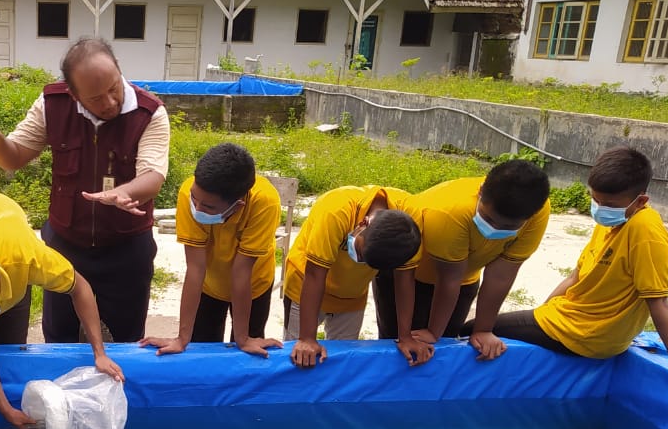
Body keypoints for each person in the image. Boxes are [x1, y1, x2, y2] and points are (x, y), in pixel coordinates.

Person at [0, 36, 170, 343]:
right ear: (74, 94)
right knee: (58, 338)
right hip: (65, 245)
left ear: (118, 70)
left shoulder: (150, 113)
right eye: (95, 98)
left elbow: (153, 176)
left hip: (126, 248)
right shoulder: (53, 104)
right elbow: (14, 157)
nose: (110, 102)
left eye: (114, 88)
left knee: (127, 339)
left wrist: (125, 193)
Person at [480, 147, 668, 395]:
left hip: (587, 334)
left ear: (640, 201)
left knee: (476, 330)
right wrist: (542, 313)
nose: (599, 208)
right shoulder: (614, 220)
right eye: (595, 200)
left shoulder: (646, 232)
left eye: (608, 204)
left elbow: (657, 302)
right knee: (495, 328)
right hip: (569, 318)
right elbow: (576, 276)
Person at [0, 191, 123, 429]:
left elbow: (80, 288)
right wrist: (5, 409)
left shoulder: (28, 259)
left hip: (5, 220)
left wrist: (99, 353)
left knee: (12, 345)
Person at [373, 159, 551, 362]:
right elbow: (449, 279)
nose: (496, 229)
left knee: (443, 349)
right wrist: (432, 331)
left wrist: (483, 330)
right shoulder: (449, 212)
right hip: (410, 277)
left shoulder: (536, 210)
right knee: (400, 348)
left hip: (464, 278)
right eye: (489, 219)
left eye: (508, 227)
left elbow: (501, 275)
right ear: (481, 191)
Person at [139, 142, 283, 358]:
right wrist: (181, 338)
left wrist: (243, 339)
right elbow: (195, 268)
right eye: (195, 201)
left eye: (208, 207)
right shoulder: (189, 193)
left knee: (246, 353)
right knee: (200, 351)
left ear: (238, 204)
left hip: (253, 285)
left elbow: (242, 271)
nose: (197, 209)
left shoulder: (265, 203)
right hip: (208, 284)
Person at [280, 183, 427, 368]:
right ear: (363, 223)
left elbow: (405, 279)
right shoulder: (336, 210)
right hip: (305, 284)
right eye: (361, 253)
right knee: (298, 355)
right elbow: (315, 275)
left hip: (353, 293)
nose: (358, 260)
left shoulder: (409, 220)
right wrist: (307, 338)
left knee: (342, 360)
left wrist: (405, 336)